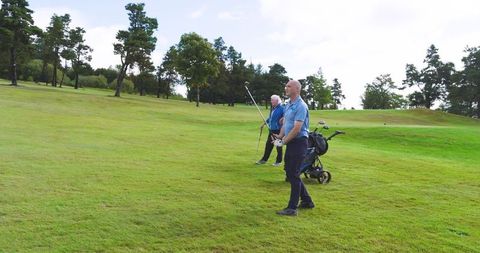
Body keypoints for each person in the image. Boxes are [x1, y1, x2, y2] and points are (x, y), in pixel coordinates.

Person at [272, 80, 315, 216]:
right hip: (291, 142)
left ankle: (292, 208)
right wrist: (280, 136)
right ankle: (307, 201)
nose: (286, 88)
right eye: (286, 86)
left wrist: (283, 142)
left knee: (293, 174)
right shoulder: (288, 105)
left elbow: (297, 128)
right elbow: (286, 124)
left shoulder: (301, 106)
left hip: (299, 142)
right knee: (290, 172)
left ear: (297, 89)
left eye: (289, 86)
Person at [255, 95, 285, 166]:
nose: (271, 102)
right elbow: (270, 118)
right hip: (271, 130)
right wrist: (264, 123)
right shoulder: (273, 109)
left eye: (272, 100)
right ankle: (264, 160)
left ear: (277, 101)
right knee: (268, 145)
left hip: (278, 130)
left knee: (278, 145)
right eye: (271, 100)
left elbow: (285, 117)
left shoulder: (282, 108)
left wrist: (282, 119)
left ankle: (278, 161)